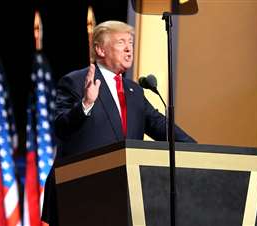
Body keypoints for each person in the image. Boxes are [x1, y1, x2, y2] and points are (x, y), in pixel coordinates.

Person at [41, 20, 196, 225]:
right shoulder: (75, 82)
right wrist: (86, 103)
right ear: (100, 49)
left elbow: (159, 125)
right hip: (79, 193)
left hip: (122, 195)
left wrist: (196, 150)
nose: (129, 48)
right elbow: (61, 127)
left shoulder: (135, 91)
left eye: (131, 42)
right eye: (121, 42)